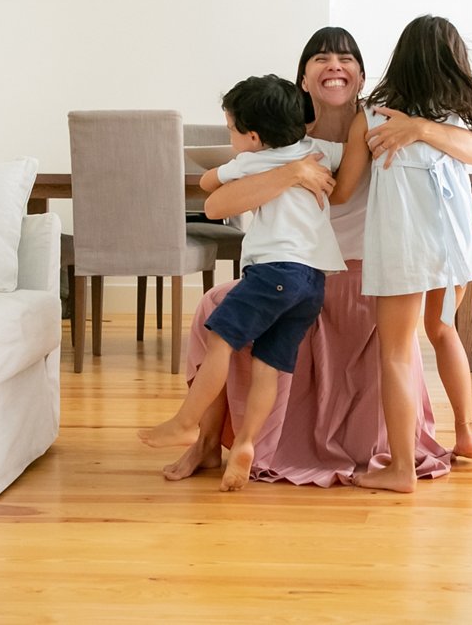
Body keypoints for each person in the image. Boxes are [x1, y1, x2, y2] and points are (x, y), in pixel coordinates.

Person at [160, 26, 472, 487]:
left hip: (366, 277)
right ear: (303, 79)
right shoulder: (284, 140)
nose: (334, 65)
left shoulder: (382, 124)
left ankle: (437, 437)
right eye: (321, 58)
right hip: (299, 273)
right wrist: (290, 171)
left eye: (346, 59)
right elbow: (216, 203)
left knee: (400, 330)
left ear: (363, 77)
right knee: (214, 304)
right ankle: (208, 443)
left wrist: (421, 129)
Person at [139, 74, 346, 491]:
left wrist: (230, 167)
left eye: (230, 129)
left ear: (253, 136)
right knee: (268, 367)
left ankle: (186, 422)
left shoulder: (253, 161)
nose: (230, 136)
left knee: (221, 340)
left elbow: (206, 185)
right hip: (312, 281)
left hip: (274, 271)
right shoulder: (320, 153)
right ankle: (247, 442)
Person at [331, 14, 472, 493]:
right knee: (442, 329)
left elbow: (344, 191)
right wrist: (427, 130)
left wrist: (304, 175)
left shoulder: (373, 117)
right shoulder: (455, 121)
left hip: (406, 247)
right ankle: (466, 432)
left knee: (397, 351)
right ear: (453, 63)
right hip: (453, 245)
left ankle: (402, 467)